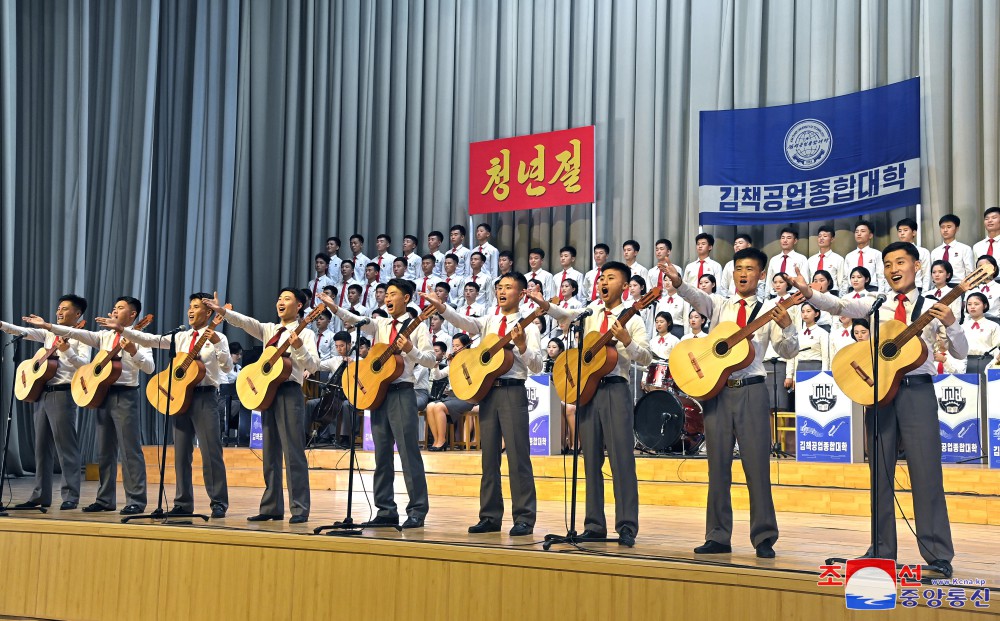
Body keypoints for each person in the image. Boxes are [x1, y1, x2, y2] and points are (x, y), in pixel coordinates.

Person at [790, 242, 964, 576]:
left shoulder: (934, 305)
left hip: (917, 393)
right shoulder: (877, 304)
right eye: (887, 263)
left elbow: (960, 351)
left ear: (918, 266)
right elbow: (838, 303)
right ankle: (881, 549)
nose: (894, 268)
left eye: (901, 261)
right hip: (880, 394)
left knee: (926, 475)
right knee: (879, 475)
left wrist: (953, 323)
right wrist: (809, 293)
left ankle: (938, 554)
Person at [663, 248, 800, 559]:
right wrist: (678, 283)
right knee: (717, 468)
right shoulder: (722, 304)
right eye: (738, 268)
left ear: (761, 274)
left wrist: (789, 324)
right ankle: (717, 535)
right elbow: (697, 299)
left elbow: (788, 350)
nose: (742, 273)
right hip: (718, 391)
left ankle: (764, 537)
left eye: (750, 269)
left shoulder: (770, 310)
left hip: (752, 390)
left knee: (756, 468)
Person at [534, 261, 652, 547]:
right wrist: (546, 306)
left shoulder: (633, 318)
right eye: (602, 277)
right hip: (587, 391)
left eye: (611, 278)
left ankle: (626, 526)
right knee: (590, 462)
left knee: (622, 460)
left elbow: (646, 357)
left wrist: (627, 342)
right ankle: (594, 524)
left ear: (625, 286)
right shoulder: (589, 314)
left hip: (614, 390)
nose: (603, 281)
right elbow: (566, 314)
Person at [425, 271, 542, 537]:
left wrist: (522, 345)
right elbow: (465, 322)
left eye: (508, 287)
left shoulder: (529, 325)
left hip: (513, 392)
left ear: (521, 293)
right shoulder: (490, 319)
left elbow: (536, 366)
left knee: (517, 457)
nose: (501, 291)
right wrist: (441, 307)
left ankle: (524, 517)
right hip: (487, 393)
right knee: (488, 459)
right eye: (499, 287)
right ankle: (489, 516)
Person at [101, 293, 232, 519]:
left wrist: (218, 344)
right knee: (181, 454)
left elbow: (228, 367)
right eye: (189, 306)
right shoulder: (180, 337)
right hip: (179, 397)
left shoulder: (218, 336)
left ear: (209, 312)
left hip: (204, 396)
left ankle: (218, 501)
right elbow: (151, 340)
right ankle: (182, 503)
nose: (190, 311)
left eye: (196, 307)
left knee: (211, 453)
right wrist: (123, 330)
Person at [321, 280, 432, 529]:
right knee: (381, 455)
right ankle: (385, 510)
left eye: (394, 294)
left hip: (403, 393)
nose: (388, 298)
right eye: (386, 295)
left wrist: (411, 350)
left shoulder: (418, 327)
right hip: (377, 394)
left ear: (406, 298)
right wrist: (335, 308)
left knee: (408, 453)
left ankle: (417, 510)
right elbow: (358, 319)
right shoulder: (381, 323)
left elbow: (431, 360)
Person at [27, 297, 153, 515]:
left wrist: (133, 349)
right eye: (114, 307)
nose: (114, 311)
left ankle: (136, 500)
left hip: (125, 395)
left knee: (130, 450)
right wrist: (48, 326)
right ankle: (105, 499)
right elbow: (76, 333)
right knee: (105, 452)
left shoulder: (141, 336)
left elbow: (149, 368)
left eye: (120, 308)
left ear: (133, 315)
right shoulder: (104, 336)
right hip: (102, 394)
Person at [204, 288, 318, 524]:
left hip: (289, 392)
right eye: (279, 298)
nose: (280, 302)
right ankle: (271, 507)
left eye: (287, 299)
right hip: (268, 393)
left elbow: (313, 365)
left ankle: (299, 509)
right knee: (270, 454)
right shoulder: (270, 329)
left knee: (294, 453)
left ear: (299, 306)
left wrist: (298, 347)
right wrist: (222, 312)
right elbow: (246, 322)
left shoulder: (305, 333)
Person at [1, 295, 90, 510]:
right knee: (41, 449)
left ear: (77, 314)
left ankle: (71, 496)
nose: (59, 312)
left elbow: (84, 365)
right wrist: (3, 325)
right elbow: (23, 331)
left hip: (63, 394)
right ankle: (40, 495)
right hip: (42, 394)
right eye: (58, 308)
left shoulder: (82, 336)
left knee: (66, 448)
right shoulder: (49, 333)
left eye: (65, 309)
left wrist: (67, 350)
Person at [424, 334, 477, 451]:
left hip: (466, 398)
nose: (455, 349)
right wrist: (435, 367)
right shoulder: (452, 363)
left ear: (465, 346)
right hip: (452, 397)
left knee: (438, 407)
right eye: (453, 346)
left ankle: (442, 440)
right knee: (430, 406)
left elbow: (468, 380)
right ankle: (436, 440)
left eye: (458, 346)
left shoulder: (471, 361)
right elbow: (438, 376)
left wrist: (455, 364)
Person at [787, 302, 830, 386]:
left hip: (816, 366)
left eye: (808, 311)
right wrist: (792, 376)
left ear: (816, 314)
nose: (805, 314)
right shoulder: (798, 334)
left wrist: (824, 376)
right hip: (801, 367)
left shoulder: (822, 333)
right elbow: (794, 356)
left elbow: (825, 357)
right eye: (803, 312)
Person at [961, 292, 1000, 375]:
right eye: (969, 304)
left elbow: (997, 348)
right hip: (964, 364)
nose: (972, 307)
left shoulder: (994, 326)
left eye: (976, 304)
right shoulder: (962, 327)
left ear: (985, 305)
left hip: (988, 362)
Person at [930, 214, 974, 284]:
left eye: (949, 227)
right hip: (939, 287)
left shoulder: (965, 249)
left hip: (958, 286)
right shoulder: (935, 252)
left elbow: (970, 272)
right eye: (942, 227)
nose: (945, 230)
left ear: (957, 229)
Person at [843, 220, 884, 293]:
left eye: (863, 231)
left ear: (870, 235)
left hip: (871, 289)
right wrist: (843, 295)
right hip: (852, 290)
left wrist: (881, 294)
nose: (859, 234)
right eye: (856, 231)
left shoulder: (877, 254)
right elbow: (845, 279)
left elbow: (881, 276)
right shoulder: (849, 256)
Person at [766, 227, 809, 295]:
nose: (785, 240)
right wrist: (766, 297)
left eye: (788, 238)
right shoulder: (774, 260)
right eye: (783, 238)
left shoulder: (801, 259)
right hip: (775, 296)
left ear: (795, 241)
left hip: (793, 295)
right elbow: (769, 281)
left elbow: (805, 281)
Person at [896, 218, 932, 291]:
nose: (902, 233)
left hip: (916, 287)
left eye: (905, 230)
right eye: (899, 231)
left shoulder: (923, 252)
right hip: (898, 288)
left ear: (914, 233)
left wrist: (925, 292)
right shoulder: (894, 252)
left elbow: (926, 274)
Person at [808, 226, 845, 296]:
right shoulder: (811, 260)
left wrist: (841, 297)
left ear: (832, 239)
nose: (821, 238)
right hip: (814, 293)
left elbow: (842, 281)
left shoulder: (838, 259)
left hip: (832, 292)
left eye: (825, 236)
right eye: (819, 236)